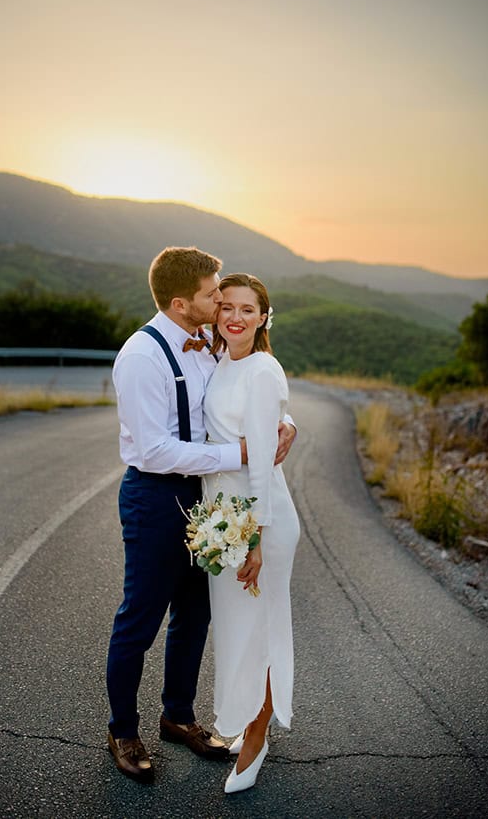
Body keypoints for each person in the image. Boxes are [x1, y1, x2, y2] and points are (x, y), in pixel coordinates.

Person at [106, 247, 296, 784]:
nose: (222, 303)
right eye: (214, 295)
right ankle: (123, 730)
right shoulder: (141, 358)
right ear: (179, 302)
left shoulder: (212, 340)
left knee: (195, 613)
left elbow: (249, 388)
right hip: (156, 495)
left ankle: (178, 717)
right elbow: (154, 450)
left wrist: (286, 426)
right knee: (139, 618)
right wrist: (242, 454)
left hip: (209, 499)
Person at [203, 272, 300, 794]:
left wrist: (257, 537)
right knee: (237, 630)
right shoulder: (220, 361)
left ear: (263, 317)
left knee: (259, 628)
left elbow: (261, 459)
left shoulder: (263, 369)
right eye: (227, 308)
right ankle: (243, 718)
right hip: (222, 514)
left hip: (259, 517)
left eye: (247, 309)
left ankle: (259, 731)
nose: (235, 317)